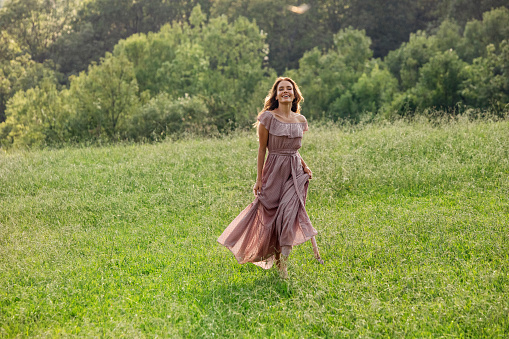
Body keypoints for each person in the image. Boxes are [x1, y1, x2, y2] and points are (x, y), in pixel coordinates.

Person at [217, 77, 323, 278]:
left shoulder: (301, 121)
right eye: (281, 89)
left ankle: (282, 265)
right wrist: (259, 179)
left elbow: (293, 150)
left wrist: (305, 166)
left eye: (289, 89)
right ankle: (260, 252)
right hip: (274, 172)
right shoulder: (267, 118)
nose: (285, 91)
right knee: (271, 217)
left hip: (295, 173)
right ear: (275, 95)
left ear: (294, 94)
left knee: (289, 214)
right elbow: (261, 150)